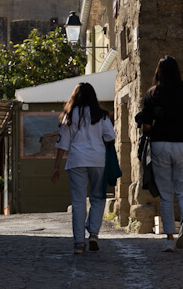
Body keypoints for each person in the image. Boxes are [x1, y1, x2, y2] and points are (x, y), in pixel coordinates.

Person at [137, 56, 183, 252]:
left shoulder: (152, 93)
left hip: (161, 144)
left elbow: (147, 125)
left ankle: (168, 239)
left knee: (166, 195)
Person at [51, 82, 116, 254]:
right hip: (98, 160)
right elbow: (111, 136)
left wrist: (56, 167)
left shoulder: (69, 115)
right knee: (98, 198)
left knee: (79, 202)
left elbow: (62, 144)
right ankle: (93, 233)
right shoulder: (101, 115)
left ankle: (79, 243)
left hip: (77, 161)